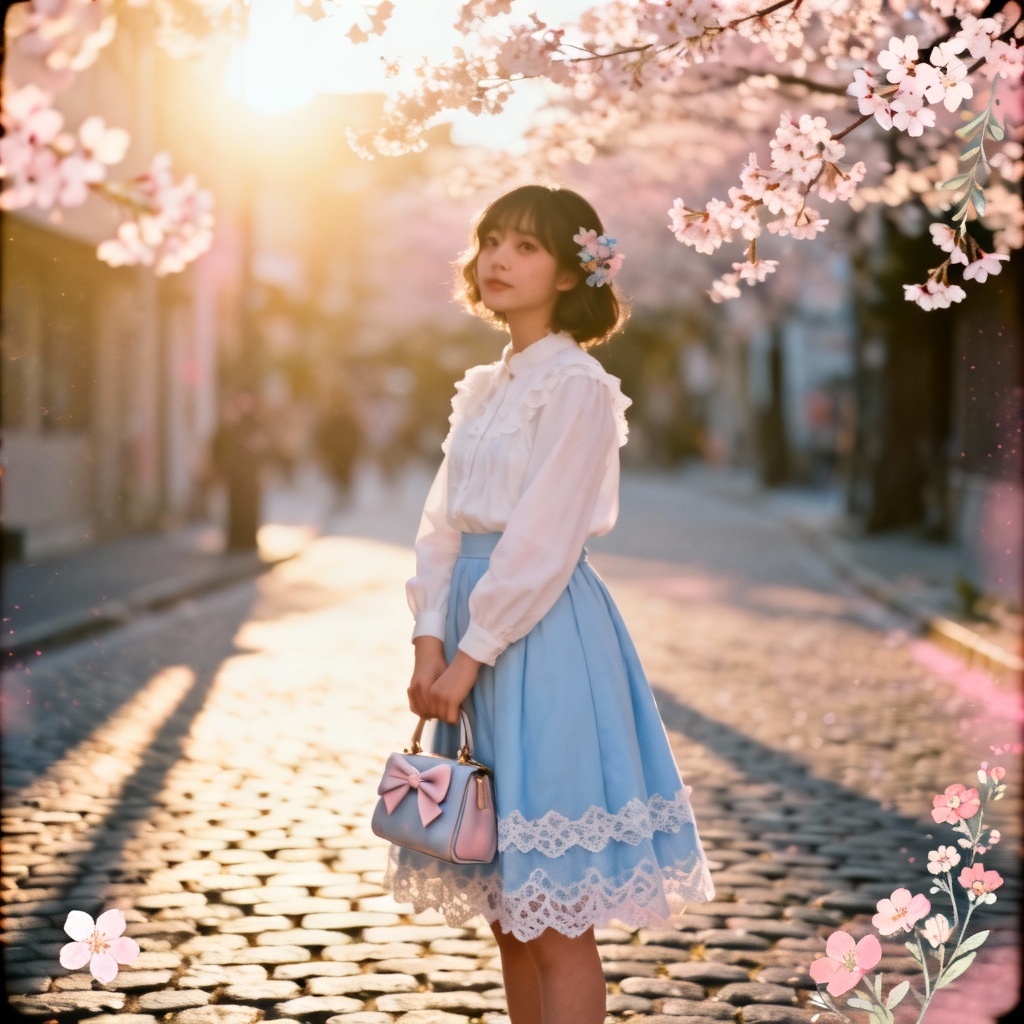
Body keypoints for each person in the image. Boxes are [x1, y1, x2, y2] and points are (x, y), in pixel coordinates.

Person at [392, 185, 715, 1024]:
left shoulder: (577, 385)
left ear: (572, 272)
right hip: (468, 634)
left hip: (540, 639)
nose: (499, 259)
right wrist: (429, 638)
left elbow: (543, 541)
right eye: (492, 240)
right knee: (507, 910)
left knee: (554, 919)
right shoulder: (483, 386)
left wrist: (470, 655)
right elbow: (441, 521)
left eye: (526, 246)